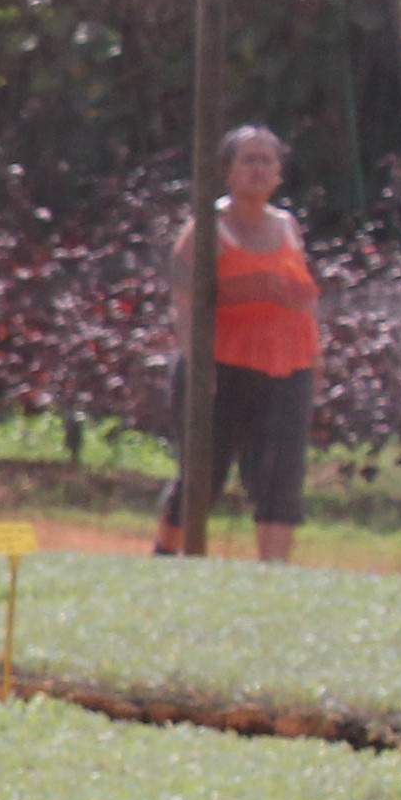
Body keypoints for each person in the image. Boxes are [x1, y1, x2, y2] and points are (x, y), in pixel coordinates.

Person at [158, 122, 317, 562]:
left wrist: (315, 360)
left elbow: (302, 299)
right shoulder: (205, 230)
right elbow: (184, 304)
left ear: (280, 172)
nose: (258, 169)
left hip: (287, 367)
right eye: (248, 160)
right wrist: (199, 366)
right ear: (227, 171)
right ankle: (166, 559)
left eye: (267, 161)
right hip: (220, 367)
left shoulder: (288, 226)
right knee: (202, 477)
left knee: (281, 474)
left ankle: (273, 574)